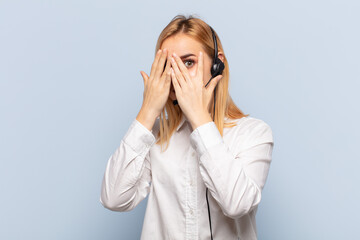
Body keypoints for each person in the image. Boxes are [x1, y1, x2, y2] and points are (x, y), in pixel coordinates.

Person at [100, 14, 274, 240]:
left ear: (217, 65)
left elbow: (237, 204)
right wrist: (147, 112)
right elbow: (114, 199)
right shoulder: (155, 136)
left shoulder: (254, 133)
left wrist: (200, 118)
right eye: (167, 65)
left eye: (188, 62)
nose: (176, 74)